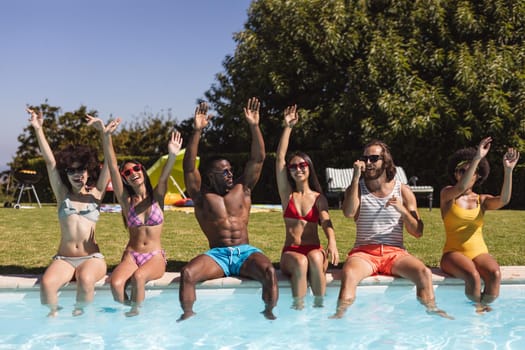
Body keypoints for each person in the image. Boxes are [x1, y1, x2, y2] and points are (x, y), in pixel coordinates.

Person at [179, 98, 278, 321]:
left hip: (245, 252)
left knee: (270, 272)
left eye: (230, 170)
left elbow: (258, 158)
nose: (230, 174)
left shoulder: (243, 189)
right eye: (224, 172)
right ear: (211, 177)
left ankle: (268, 315)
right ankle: (187, 317)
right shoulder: (202, 197)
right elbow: (188, 168)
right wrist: (197, 131)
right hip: (218, 256)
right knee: (187, 274)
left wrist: (254, 126)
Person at [331, 140, 451, 319]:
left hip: (395, 253)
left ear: (385, 162)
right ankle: (340, 316)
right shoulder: (356, 188)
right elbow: (349, 213)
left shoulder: (403, 191)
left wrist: (402, 211)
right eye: (365, 158)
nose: (368, 163)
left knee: (423, 273)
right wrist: (355, 178)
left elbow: (417, 232)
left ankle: (431, 312)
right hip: (364, 253)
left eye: (374, 158)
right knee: (348, 274)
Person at [86, 114, 182, 317]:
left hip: (154, 256)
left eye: (136, 168)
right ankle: (126, 314)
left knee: (139, 278)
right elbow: (112, 166)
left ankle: (135, 315)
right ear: (125, 179)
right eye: (127, 173)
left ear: (143, 171)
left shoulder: (158, 196)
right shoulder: (126, 201)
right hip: (131, 254)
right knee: (116, 283)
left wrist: (172, 154)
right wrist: (106, 136)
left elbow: (164, 176)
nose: (132, 173)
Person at [27, 108, 110, 317]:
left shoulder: (96, 194)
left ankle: (82, 325)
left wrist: (104, 133)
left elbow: (111, 164)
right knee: (47, 284)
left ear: (89, 170)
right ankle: (53, 324)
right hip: (64, 259)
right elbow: (50, 162)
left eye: (80, 169)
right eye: (71, 170)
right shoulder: (62, 194)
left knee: (86, 280)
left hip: (91, 258)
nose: (76, 174)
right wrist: (38, 129)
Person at [440, 136, 519, 313]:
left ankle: (484, 308)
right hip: (453, 254)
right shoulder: (448, 195)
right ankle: (474, 311)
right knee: (473, 277)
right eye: (461, 171)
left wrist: (508, 171)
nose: (464, 174)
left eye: (470, 171)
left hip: (478, 252)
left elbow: (504, 200)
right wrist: (477, 158)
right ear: (455, 174)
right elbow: (460, 188)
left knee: (494, 274)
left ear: (478, 175)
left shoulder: (481, 200)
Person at [275, 104, 339, 309]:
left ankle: (319, 307)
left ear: (309, 168)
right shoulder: (288, 196)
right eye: (293, 167)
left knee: (312, 257)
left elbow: (326, 221)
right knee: (302, 262)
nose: (297, 169)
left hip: (315, 250)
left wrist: (332, 242)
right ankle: (299, 309)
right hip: (291, 252)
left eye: (302, 165)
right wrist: (288, 127)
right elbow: (279, 160)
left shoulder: (319, 198)